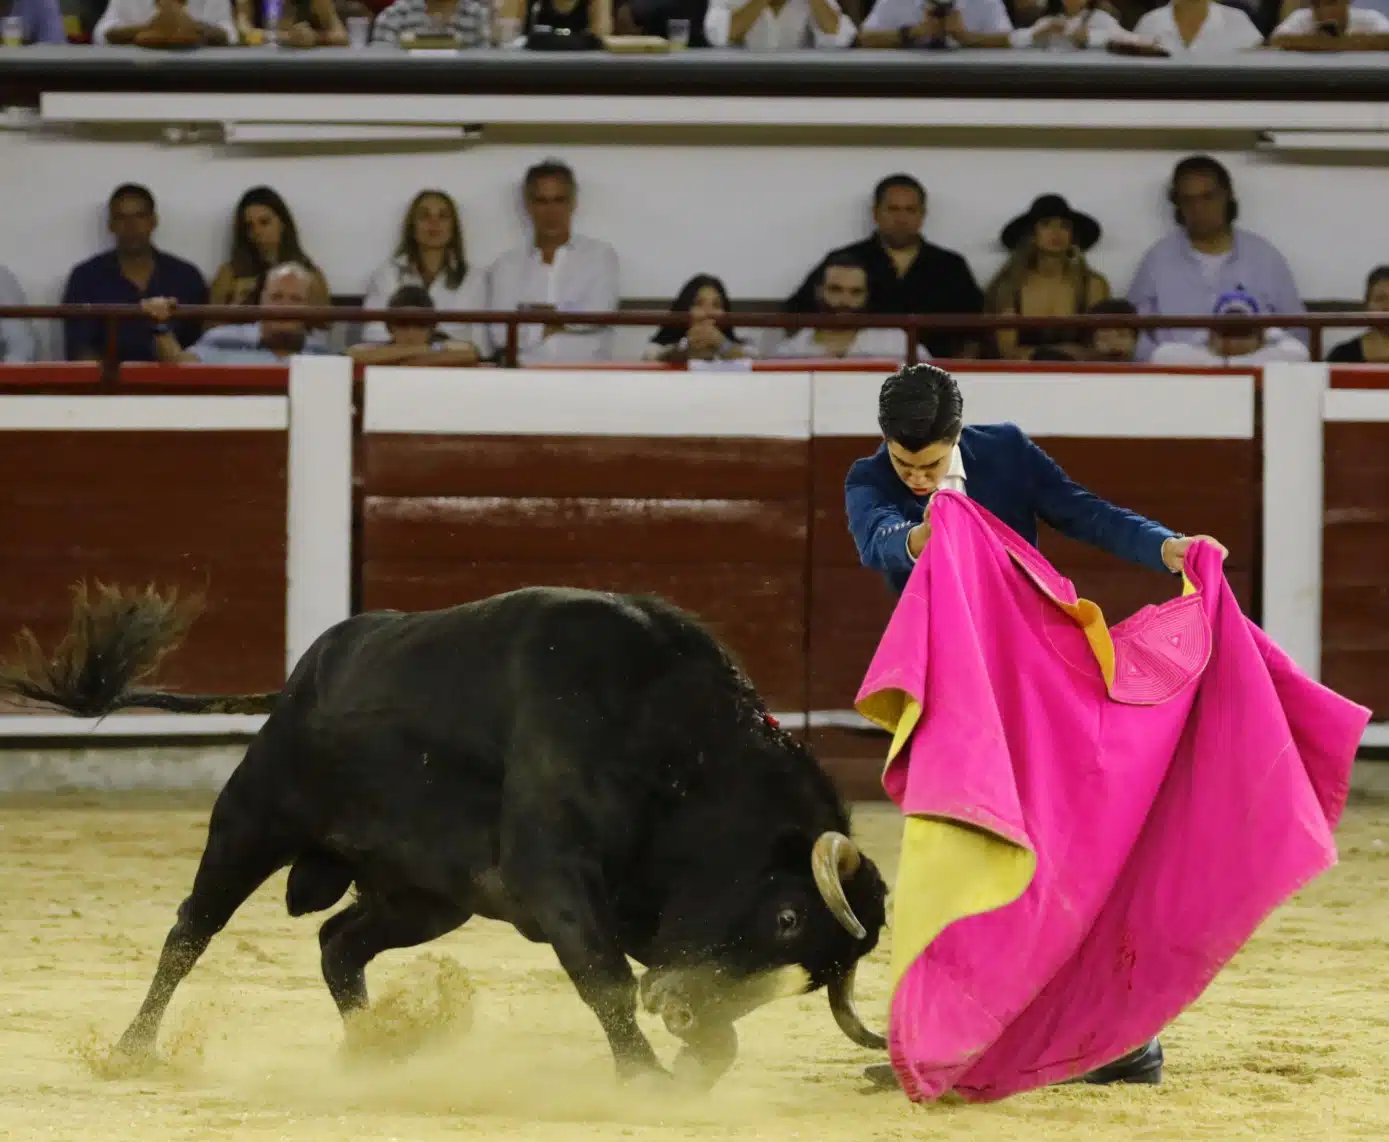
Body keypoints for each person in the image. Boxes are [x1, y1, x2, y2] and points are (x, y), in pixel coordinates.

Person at [846, 362, 1227, 1090]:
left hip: (1039, 680)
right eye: (904, 465)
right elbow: (878, 540)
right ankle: (960, 1036)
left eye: (930, 465)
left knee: (1059, 849)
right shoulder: (869, 479)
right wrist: (926, 533)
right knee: (963, 854)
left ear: (957, 437)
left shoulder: (1007, 453)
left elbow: (1082, 512)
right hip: (959, 697)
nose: (917, 478)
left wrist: (1165, 547)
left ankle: (1117, 1040)